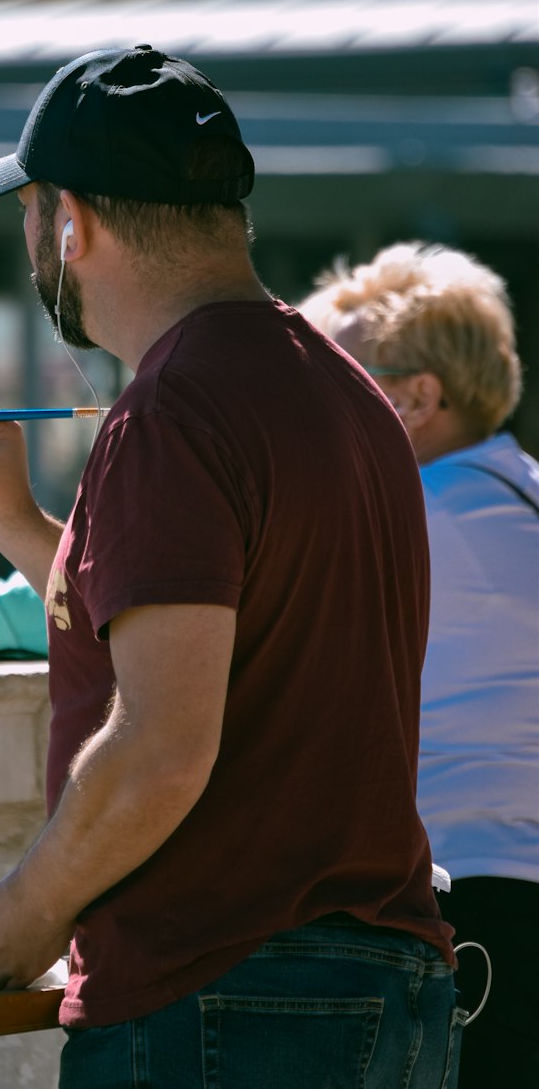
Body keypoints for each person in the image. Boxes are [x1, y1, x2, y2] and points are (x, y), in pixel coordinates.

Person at [0, 46, 460, 1089]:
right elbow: (233, 623)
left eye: (33, 212)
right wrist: (21, 528)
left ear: (71, 222)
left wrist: (9, 928)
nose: (33, 241)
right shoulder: (338, 387)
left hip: (225, 1000)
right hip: (379, 987)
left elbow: (162, 746)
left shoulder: (172, 411)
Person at [301, 242, 539, 1087]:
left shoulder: (406, 519)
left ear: (415, 398)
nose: (307, 406)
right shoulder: (517, 494)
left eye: (336, 379)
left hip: (467, 916)